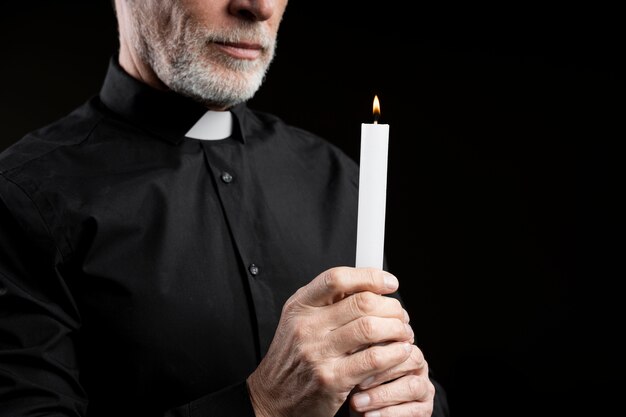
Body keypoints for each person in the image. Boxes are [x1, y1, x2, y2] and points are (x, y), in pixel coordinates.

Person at [0, 1, 449, 416]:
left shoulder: (335, 176)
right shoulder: (21, 197)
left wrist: (416, 398)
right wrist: (260, 405)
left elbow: (401, 371)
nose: (259, 7)